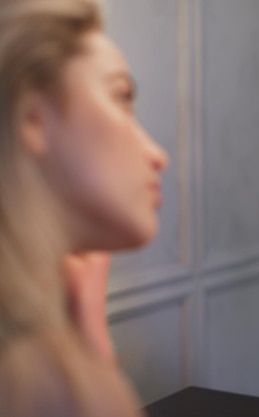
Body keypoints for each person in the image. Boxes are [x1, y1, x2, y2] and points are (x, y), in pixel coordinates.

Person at [0, 0, 168, 415]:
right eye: (121, 97)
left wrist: (84, 329)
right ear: (33, 119)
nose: (156, 154)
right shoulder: (25, 380)